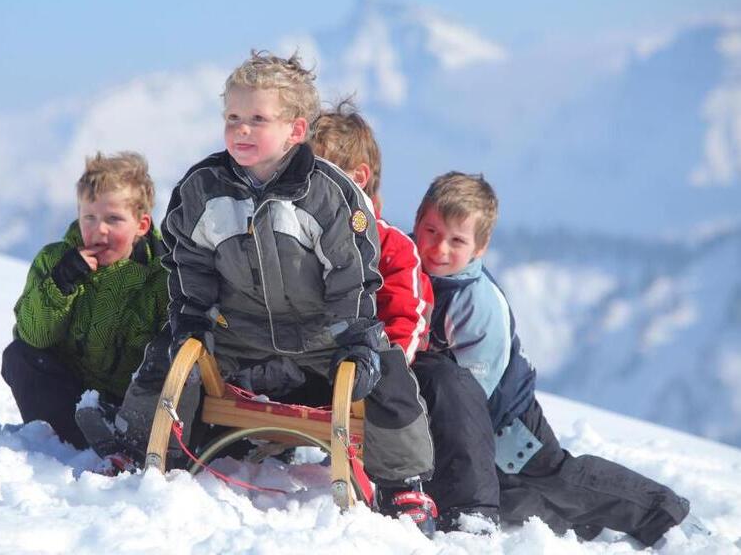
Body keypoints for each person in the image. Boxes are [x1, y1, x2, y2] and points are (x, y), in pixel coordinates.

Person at [90, 51, 437, 535]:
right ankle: (137, 448)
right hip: (240, 333)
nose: (241, 130)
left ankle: (403, 482)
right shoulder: (203, 188)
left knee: (388, 373)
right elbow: (189, 260)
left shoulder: (330, 195)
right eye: (233, 118)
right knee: (170, 357)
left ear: (296, 130)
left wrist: (355, 336)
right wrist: (192, 319)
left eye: (257, 119)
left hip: (322, 335)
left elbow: (351, 272)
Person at [411, 171, 691, 545]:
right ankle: (580, 524)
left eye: (456, 240)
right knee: (515, 497)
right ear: (416, 221)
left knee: (561, 481)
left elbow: (472, 395)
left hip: (508, 424)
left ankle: (663, 512)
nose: (439, 248)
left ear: (481, 246)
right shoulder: (410, 269)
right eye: (431, 231)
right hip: (472, 428)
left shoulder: (476, 302)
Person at [309, 100, 441, 528]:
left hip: (366, 369)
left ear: (357, 179)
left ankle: (403, 481)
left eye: (318, 177)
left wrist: (390, 355)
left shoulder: (390, 245)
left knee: (390, 368)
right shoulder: (298, 242)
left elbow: (408, 315)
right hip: (306, 360)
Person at [1, 151, 168, 449]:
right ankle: (70, 438)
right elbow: (33, 336)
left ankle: (129, 439)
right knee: (20, 356)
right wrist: (61, 284)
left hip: (130, 401)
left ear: (141, 226)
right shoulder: (54, 260)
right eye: (89, 217)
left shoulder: (161, 275)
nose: (98, 229)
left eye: (113, 219)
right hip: (70, 396)